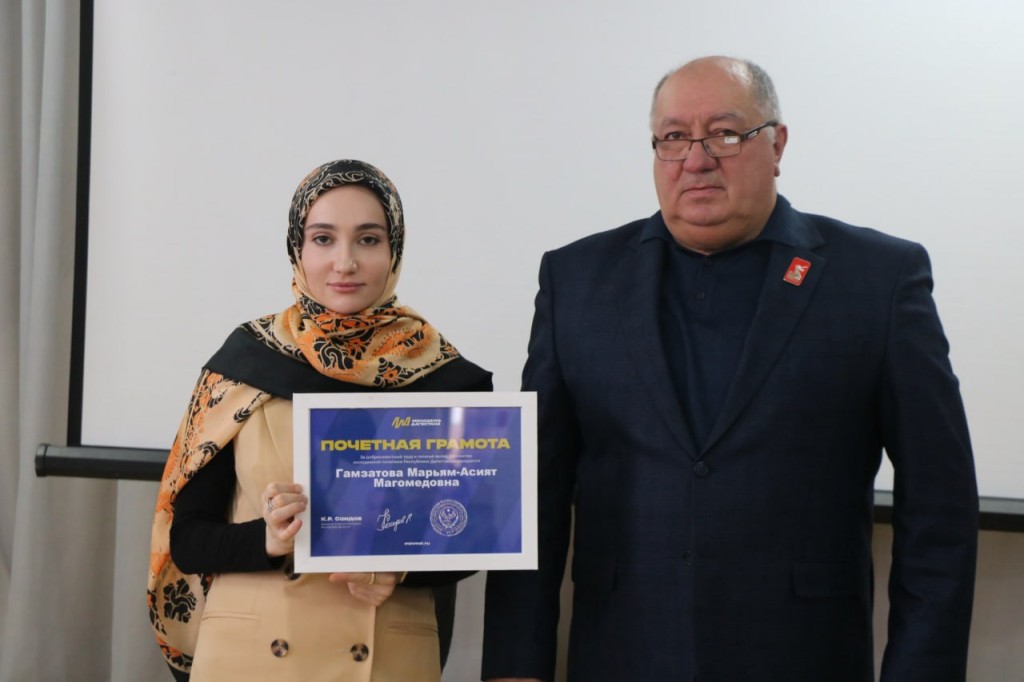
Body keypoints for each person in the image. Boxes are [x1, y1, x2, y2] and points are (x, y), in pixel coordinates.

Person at [482, 56, 978, 682]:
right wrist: (514, 668)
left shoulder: (877, 280)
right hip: (625, 655)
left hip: (804, 658)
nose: (696, 159)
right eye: (673, 137)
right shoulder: (577, 280)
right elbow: (534, 498)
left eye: (725, 133)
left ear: (778, 145)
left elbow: (939, 507)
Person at [147, 159, 492, 681]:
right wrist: (268, 539)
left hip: (387, 656)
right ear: (298, 248)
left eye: (368, 239)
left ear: (394, 250)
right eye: (323, 239)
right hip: (250, 657)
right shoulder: (242, 363)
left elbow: (471, 535)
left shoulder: (446, 377)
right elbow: (188, 539)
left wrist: (401, 568)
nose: (344, 262)